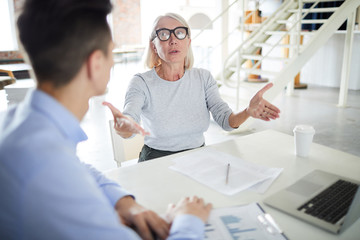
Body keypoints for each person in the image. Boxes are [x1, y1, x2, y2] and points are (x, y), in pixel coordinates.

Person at [0, 1, 212, 239]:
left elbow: (78, 167)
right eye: (111, 51)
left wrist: (124, 202)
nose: (113, 62)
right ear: (95, 64)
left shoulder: (20, 124)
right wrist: (188, 220)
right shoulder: (46, 172)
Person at [104, 12, 280, 162]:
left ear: (188, 41)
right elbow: (130, 118)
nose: (173, 40)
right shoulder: (141, 82)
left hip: (199, 157)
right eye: (164, 34)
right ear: (154, 46)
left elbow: (226, 122)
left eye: (179, 33)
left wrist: (248, 111)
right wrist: (125, 127)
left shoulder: (203, 78)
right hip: (156, 161)